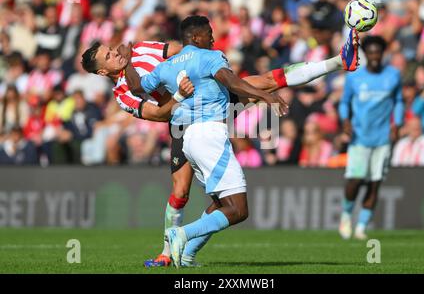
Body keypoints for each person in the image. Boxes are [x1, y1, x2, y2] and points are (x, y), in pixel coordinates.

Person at [81, 18, 360, 267]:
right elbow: (158, 113)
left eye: (112, 48)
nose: (116, 53)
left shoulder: (141, 49)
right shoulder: (121, 96)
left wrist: (203, 62)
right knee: (182, 192)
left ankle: (337, 61)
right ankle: (168, 251)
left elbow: (179, 51)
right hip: (184, 121)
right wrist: (179, 93)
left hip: (208, 99)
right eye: (109, 55)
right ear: (103, 71)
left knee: (266, 82)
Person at [338, 35, 404, 240]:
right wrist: (345, 121)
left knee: (375, 183)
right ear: (366, 54)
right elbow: (344, 102)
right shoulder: (354, 77)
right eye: (371, 52)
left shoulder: (393, 75)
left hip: (382, 138)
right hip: (359, 137)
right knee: (355, 181)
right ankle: (347, 215)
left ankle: (361, 227)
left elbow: (399, 101)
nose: (375, 56)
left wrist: (397, 123)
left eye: (378, 52)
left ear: (383, 53)